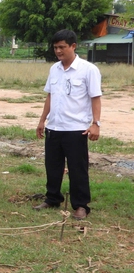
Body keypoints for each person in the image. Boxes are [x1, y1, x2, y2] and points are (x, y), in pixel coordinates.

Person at [33, 29, 102, 220]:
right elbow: (50, 95)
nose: (58, 51)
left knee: (77, 169)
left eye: (62, 47)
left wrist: (96, 123)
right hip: (54, 127)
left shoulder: (88, 70)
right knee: (52, 166)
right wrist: (42, 120)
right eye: (55, 47)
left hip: (76, 129)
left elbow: (95, 98)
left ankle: (81, 206)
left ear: (73, 46)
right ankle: (52, 198)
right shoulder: (54, 69)